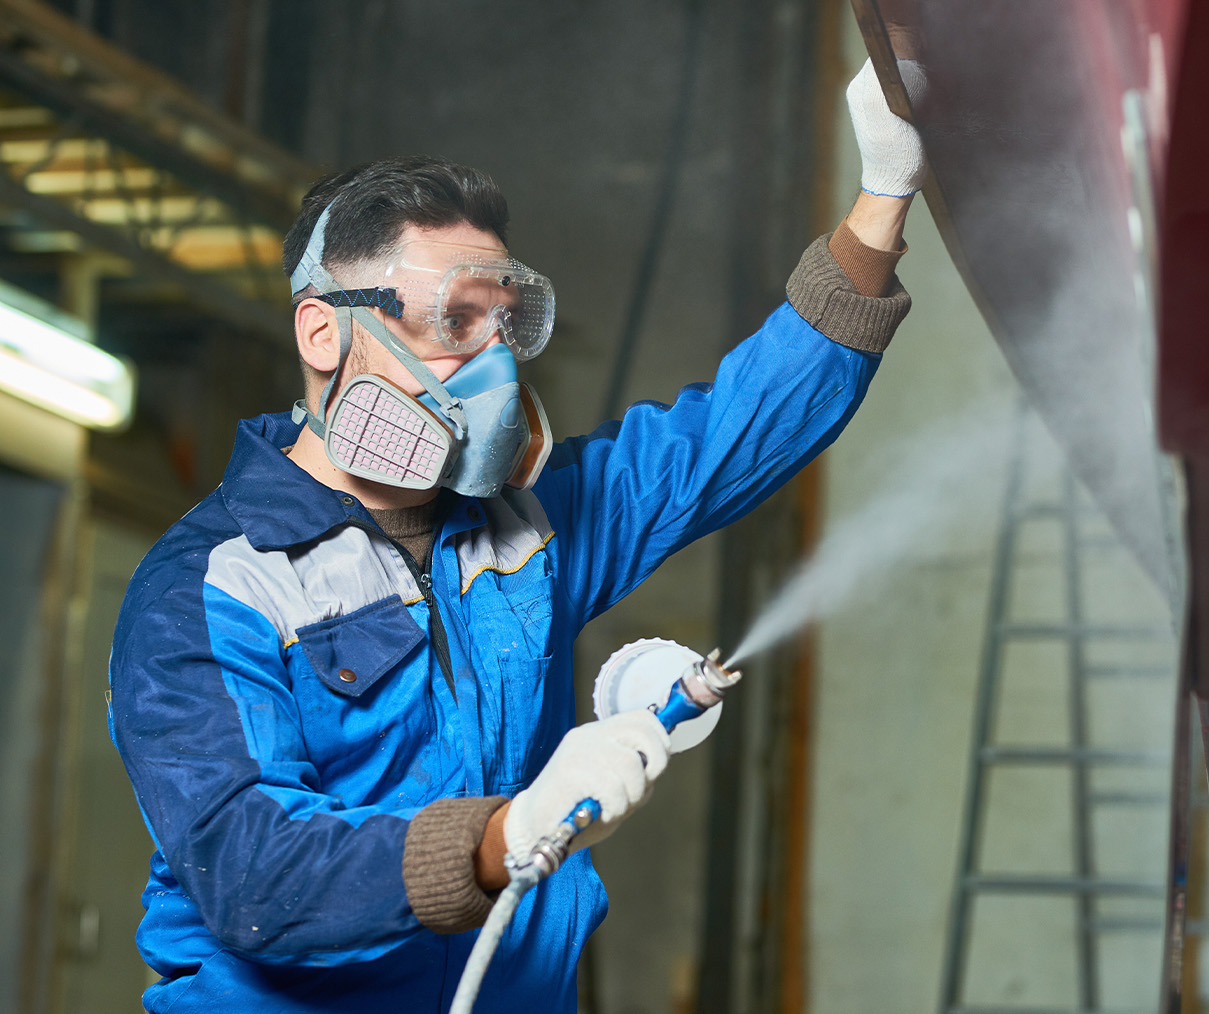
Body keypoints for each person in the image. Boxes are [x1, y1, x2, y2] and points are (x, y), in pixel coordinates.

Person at [107, 60, 924, 1012]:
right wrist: (506, 834)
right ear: (324, 335)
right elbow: (255, 873)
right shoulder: (213, 590)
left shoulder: (523, 536)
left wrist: (883, 195)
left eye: (505, 328)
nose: (492, 371)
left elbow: (726, 436)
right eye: (455, 324)